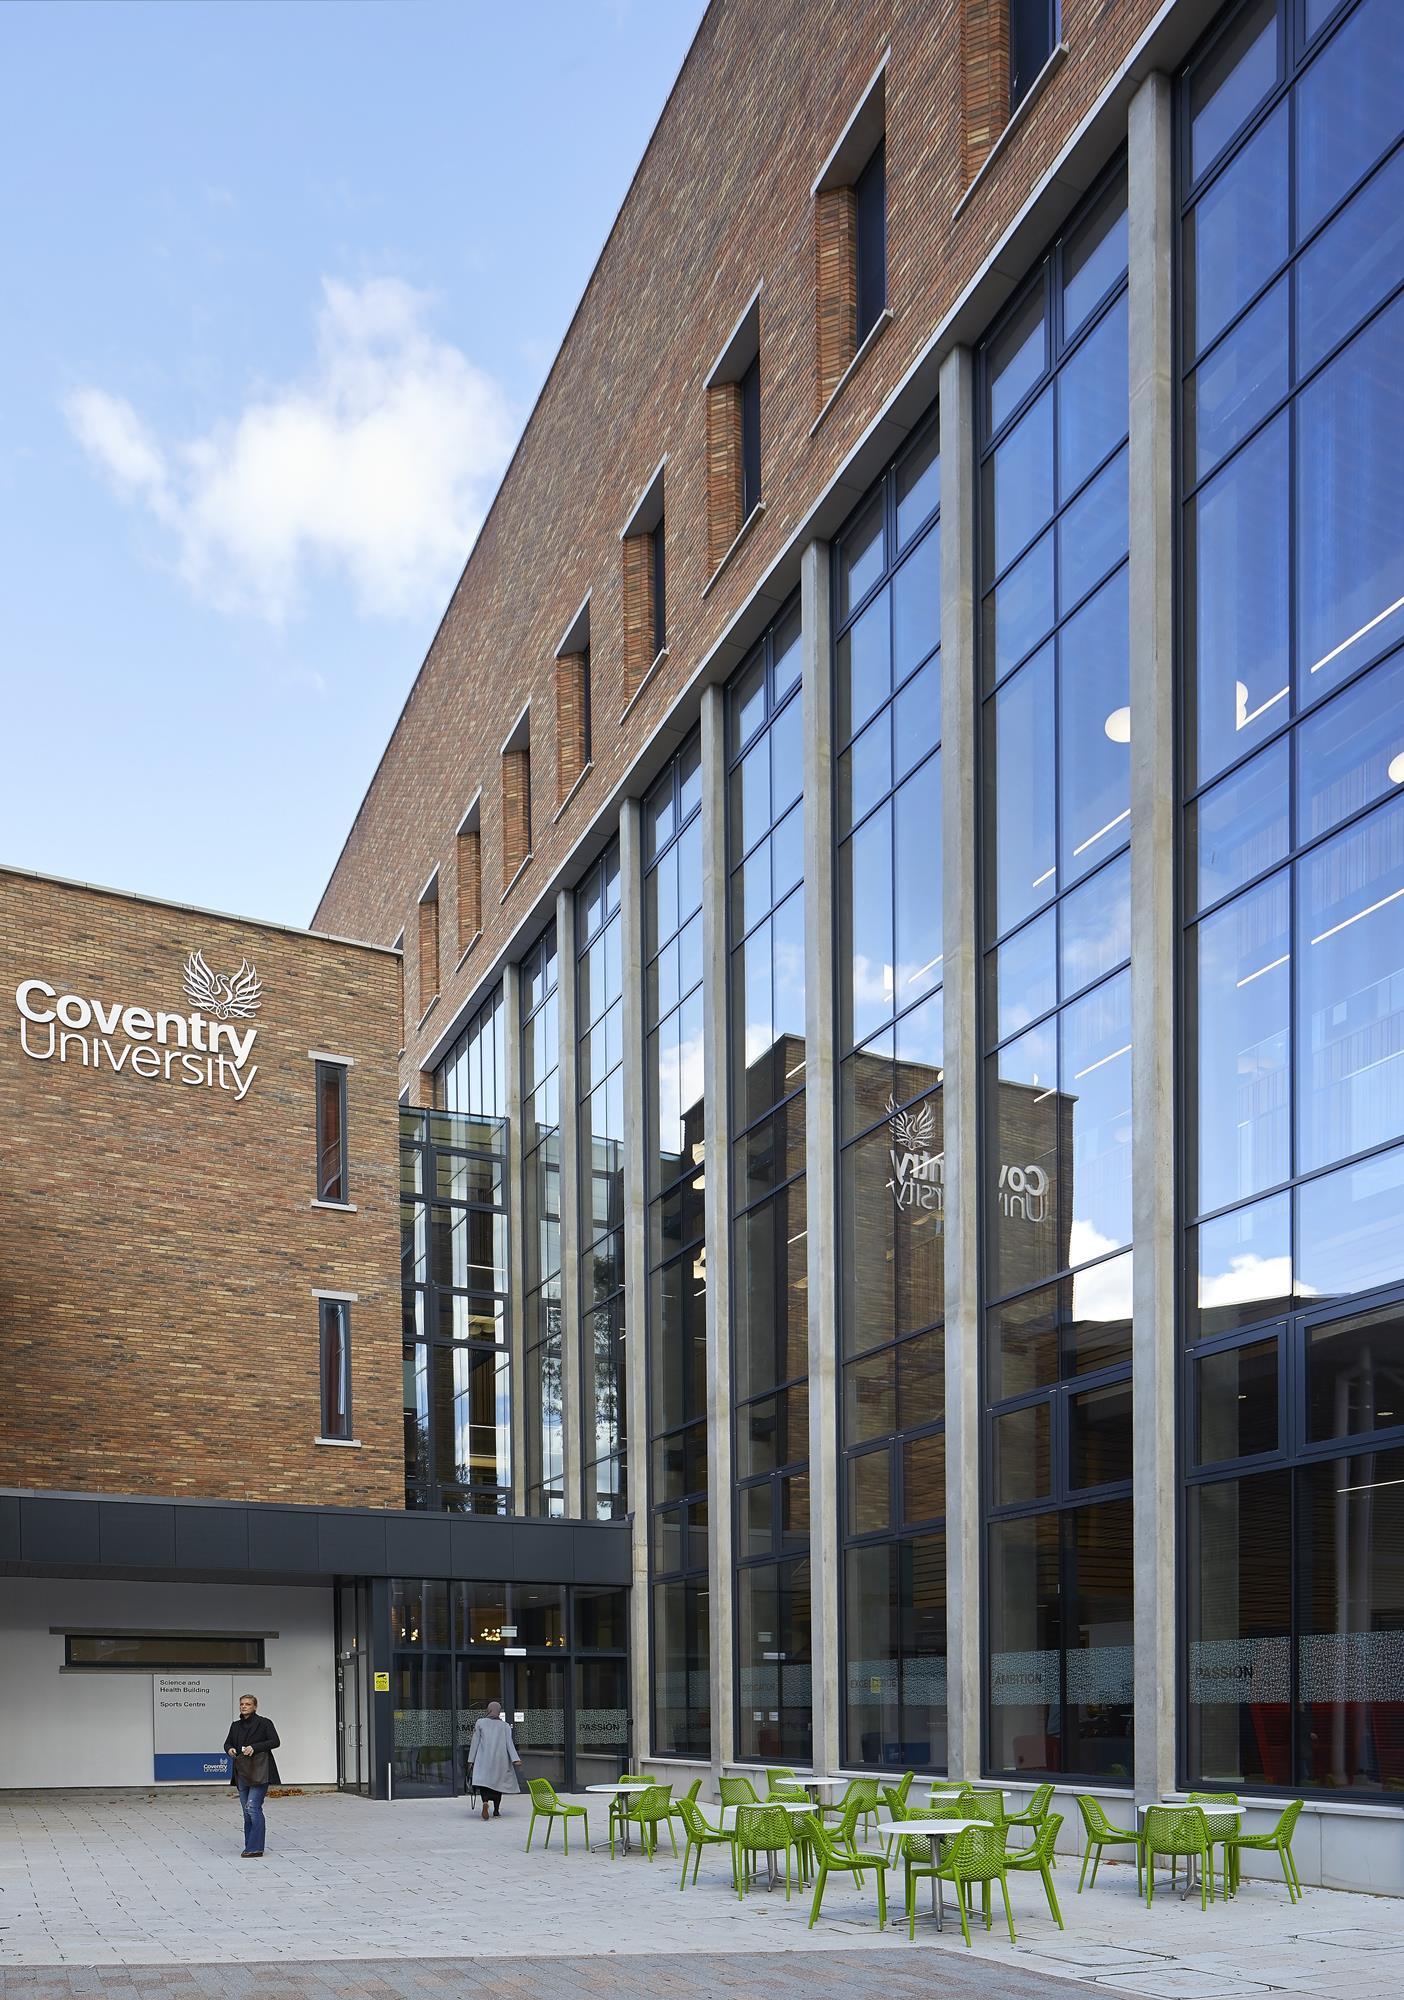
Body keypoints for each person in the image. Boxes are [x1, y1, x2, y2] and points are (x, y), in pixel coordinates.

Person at [223, 1693, 281, 1858]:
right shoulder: (235, 1726)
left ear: (255, 1707)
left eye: (248, 1704)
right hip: (242, 1771)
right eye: (242, 1704)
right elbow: (227, 1743)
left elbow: (275, 1741)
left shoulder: (264, 1723)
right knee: (246, 1811)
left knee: (252, 1807)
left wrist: (255, 1747)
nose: (244, 1706)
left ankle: (255, 1847)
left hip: (260, 1770)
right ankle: (250, 1845)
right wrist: (229, 1749)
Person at [466, 1700, 522, 1821]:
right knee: (498, 1785)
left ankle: (485, 1802)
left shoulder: (480, 1723)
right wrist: (515, 1759)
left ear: (489, 1710)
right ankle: (496, 1810)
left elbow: (475, 1742)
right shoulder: (505, 1726)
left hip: (483, 1760)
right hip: (500, 1761)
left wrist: (471, 1760)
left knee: (484, 1785)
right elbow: (509, 1744)